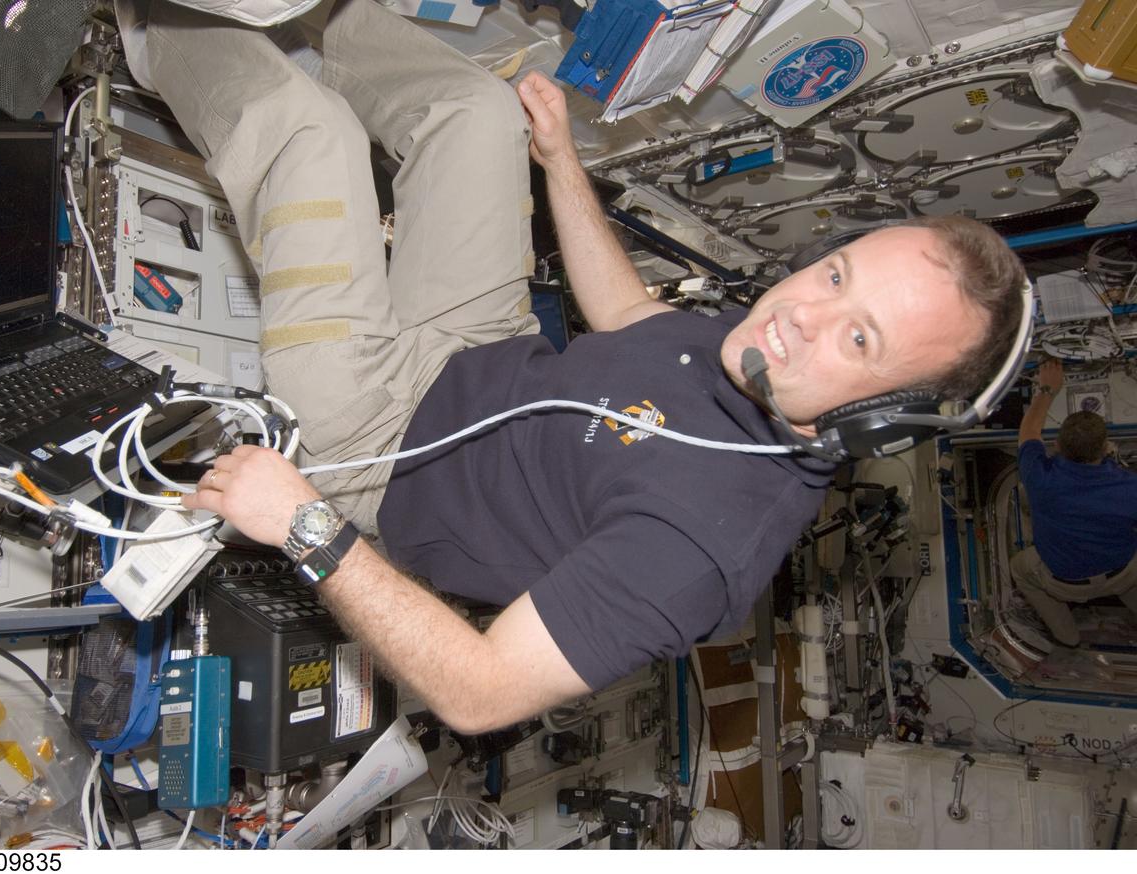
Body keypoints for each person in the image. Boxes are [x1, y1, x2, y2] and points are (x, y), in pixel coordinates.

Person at [143, 0, 1027, 731]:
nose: (802, 312)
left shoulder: (702, 551)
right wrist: (562, 163)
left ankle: (155, 29)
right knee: (474, 113)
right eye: (836, 273)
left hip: (384, 445)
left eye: (860, 338)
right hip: (483, 346)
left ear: (885, 417)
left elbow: (481, 692)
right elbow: (631, 317)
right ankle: (279, 14)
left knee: (310, 135)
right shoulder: (760, 348)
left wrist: (306, 525)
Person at [1010, 358, 1137, 647]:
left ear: (1057, 447)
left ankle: (1068, 638)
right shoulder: (1131, 486)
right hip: (1122, 574)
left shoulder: (1038, 476)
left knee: (1020, 568)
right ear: (1106, 449)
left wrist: (1046, 389)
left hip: (1064, 584)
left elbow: (1028, 432)